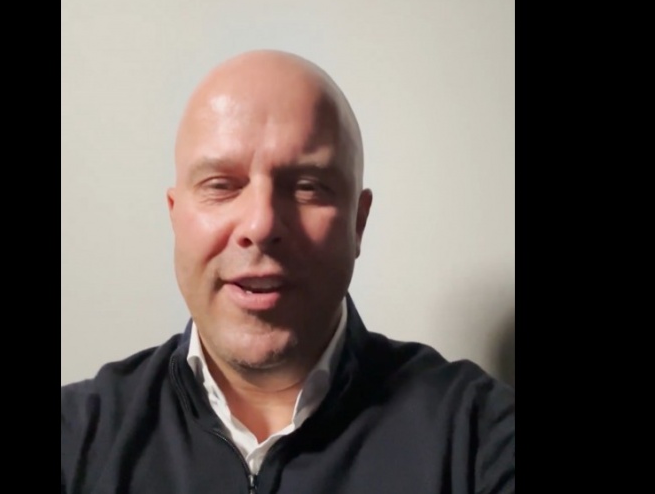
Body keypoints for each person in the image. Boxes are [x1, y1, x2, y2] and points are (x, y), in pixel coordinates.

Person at [61, 49, 515, 494]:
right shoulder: (76, 437)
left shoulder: (478, 436)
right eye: (221, 186)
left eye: (307, 187)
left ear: (358, 223)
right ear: (175, 216)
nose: (260, 226)